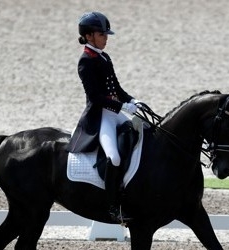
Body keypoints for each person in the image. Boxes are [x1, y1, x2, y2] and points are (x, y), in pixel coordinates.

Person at [67, 11, 139, 223]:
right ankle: (112, 206)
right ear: (89, 36)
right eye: (102, 34)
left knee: (139, 138)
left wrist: (133, 100)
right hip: (100, 117)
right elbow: (96, 97)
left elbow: (116, 87)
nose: (106, 38)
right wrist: (122, 105)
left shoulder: (104, 57)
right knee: (114, 158)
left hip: (114, 112)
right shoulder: (85, 62)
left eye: (106, 34)